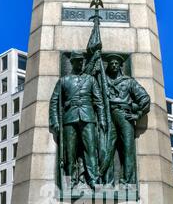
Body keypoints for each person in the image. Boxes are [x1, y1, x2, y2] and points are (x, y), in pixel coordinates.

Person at [49, 51, 106, 190]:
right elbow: (54, 102)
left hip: (88, 117)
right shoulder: (64, 80)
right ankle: (69, 181)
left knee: (91, 150)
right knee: (70, 153)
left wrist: (102, 118)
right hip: (70, 119)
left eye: (82, 61)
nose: (80, 63)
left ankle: (93, 180)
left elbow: (99, 101)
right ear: (72, 62)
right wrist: (55, 122)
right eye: (78, 61)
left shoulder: (90, 80)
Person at [101, 54, 150, 185]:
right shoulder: (103, 81)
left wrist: (137, 115)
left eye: (116, 63)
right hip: (108, 116)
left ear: (120, 65)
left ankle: (127, 181)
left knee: (128, 148)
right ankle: (106, 181)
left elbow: (145, 99)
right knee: (106, 148)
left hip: (124, 115)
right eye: (111, 63)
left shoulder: (129, 82)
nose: (114, 65)